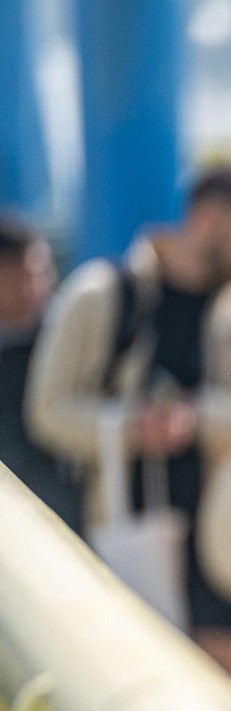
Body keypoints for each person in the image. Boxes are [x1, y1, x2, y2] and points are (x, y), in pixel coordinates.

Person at [26, 166, 231, 673]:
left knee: (225, 686)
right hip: (122, 528)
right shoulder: (103, 295)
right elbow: (48, 410)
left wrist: (203, 418)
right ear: (206, 219)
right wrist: (130, 428)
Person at [0, 214, 80, 532]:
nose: (34, 287)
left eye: (42, 272)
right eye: (18, 277)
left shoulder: (72, 336)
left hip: (66, 499)